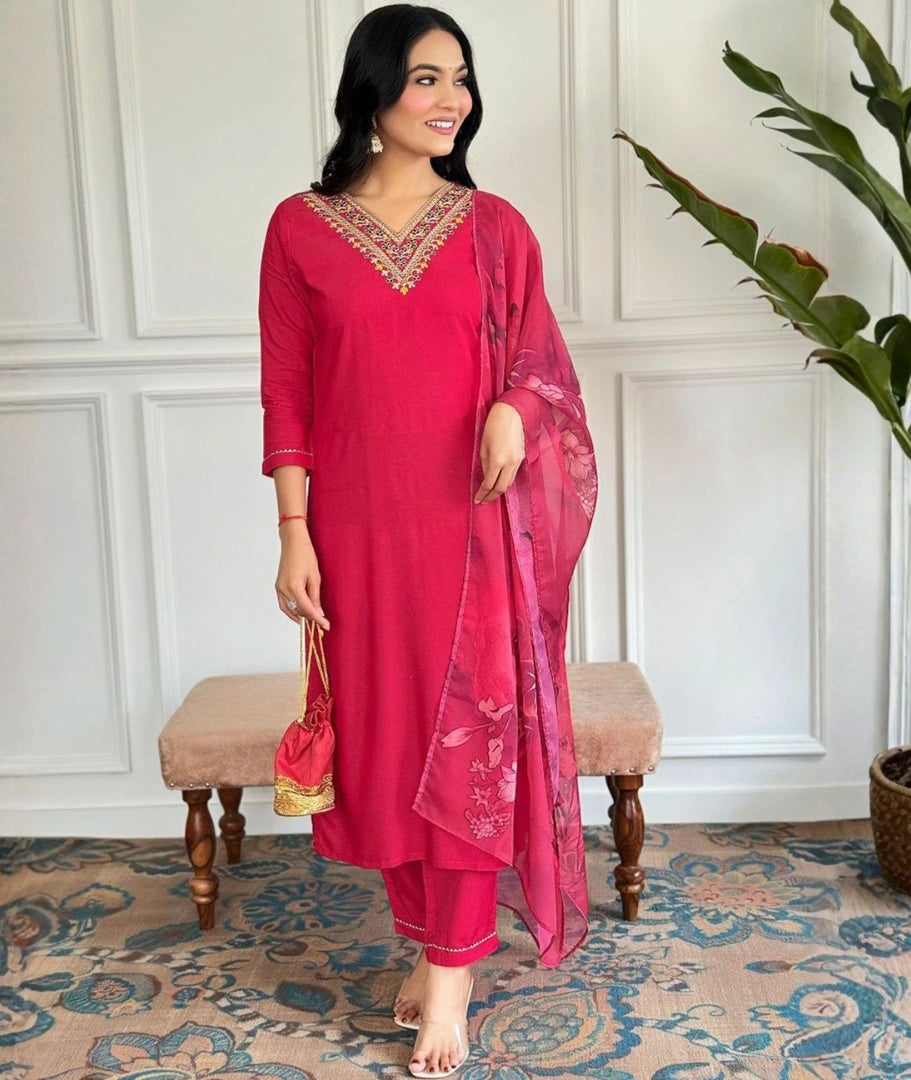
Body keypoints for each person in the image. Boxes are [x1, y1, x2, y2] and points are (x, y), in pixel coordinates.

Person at [259, 5, 598, 1076]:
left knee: (470, 743)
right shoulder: (300, 229)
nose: (451, 99)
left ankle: (452, 970)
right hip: (356, 533)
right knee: (386, 741)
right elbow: (288, 396)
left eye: (461, 79)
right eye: (425, 79)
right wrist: (293, 535)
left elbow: (542, 363)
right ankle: (430, 939)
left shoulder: (496, 228)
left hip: (469, 528)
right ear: (373, 91)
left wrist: (514, 407)